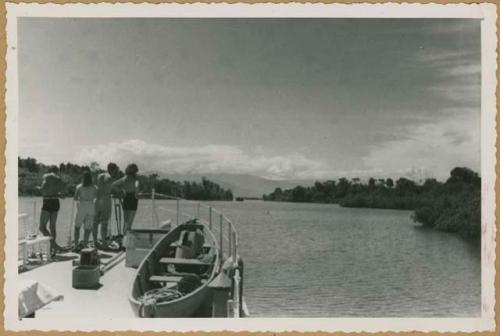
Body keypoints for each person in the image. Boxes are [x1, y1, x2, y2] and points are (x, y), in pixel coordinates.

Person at [38, 165, 65, 255]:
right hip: (55, 202)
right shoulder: (59, 180)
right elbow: (63, 195)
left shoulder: (46, 176)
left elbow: (43, 187)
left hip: (47, 201)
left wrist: (37, 188)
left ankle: (54, 245)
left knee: (42, 227)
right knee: (52, 226)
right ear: (57, 171)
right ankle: (52, 249)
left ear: (50, 170)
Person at [111, 163, 139, 247]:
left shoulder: (124, 179)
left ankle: (124, 242)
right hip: (133, 199)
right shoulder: (136, 180)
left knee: (125, 222)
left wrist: (121, 192)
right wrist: (136, 193)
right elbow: (137, 189)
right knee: (130, 223)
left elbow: (113, 185)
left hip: (126, 198)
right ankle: (127, 243)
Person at [93, 162, 120, 248]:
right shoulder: (110, 178)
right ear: (112, 170)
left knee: (95, 223)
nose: (116, 171)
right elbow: (114, 188)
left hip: (97, 200)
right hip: (105, 200)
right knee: (104, 223)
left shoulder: (100, 175)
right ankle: (104, 243)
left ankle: (95, 242)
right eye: (115, 170)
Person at [73, 171, 97, 251]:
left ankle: (76, 245)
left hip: (82, 205)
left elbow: (75, 198)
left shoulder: (79, 186)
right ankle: (85, 245)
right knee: (87, 228)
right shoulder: (94, 187)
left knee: (77, 227)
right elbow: (96, 197)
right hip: (91, 205)